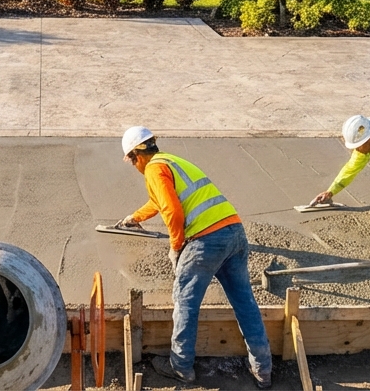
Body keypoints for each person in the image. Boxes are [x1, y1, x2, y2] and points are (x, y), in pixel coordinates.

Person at [114, 126, 272, 389]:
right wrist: (135, 217)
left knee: (185, 302)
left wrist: (176, 247)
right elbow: (160, 201)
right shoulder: (171, 161)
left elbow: (172, 210)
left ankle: (181, 367)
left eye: (131, 161)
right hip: (234, 232)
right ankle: (263, 370)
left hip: (205, 240)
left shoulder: (153, 168)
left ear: (135, 156)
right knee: (244, 303)